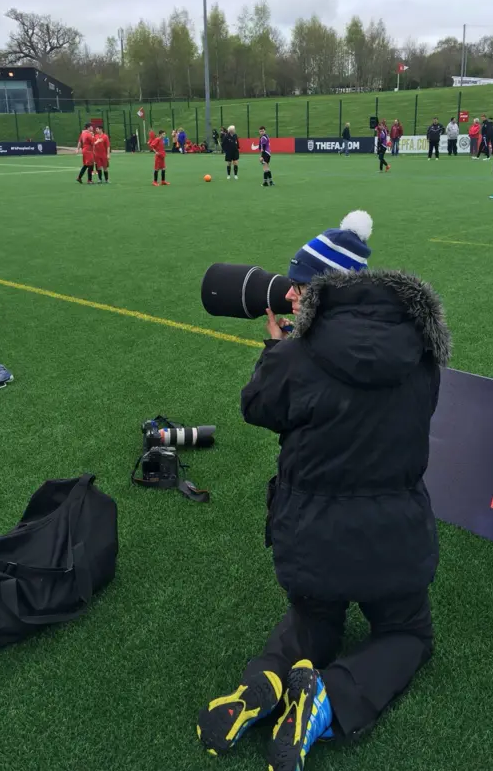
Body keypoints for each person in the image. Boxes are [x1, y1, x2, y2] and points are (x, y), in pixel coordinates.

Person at [197, 210, 450, 771]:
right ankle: (329, 698)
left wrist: (275, 350)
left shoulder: (293, 356)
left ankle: (262, 682)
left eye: (296, 286)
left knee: (314, 618)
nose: (286, 296)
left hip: (310, 540)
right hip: (395, 542)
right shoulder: (423, 354)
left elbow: (256, 409)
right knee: (407, 634)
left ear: (317, 291)